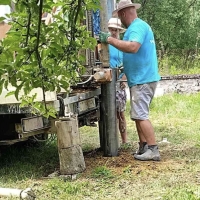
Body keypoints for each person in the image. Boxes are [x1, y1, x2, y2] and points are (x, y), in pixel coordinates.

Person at [99, 0, 161, 161]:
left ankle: (153, 149)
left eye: (119, 15)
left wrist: (110, 40)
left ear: (124, 13)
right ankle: (144, 146)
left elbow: (133, 47)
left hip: (143, 78)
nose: (120, 18)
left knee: (141, 115)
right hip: (140, 78)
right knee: (137, 115)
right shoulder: (138, 27)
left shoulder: (137, 27)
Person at [107, 17, 128, 144]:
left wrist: (124, 78)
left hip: (120, 80)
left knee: (120, 113)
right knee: (110, 113)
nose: (113, 32)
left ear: (119, 31)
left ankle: (124, 140)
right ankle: (112, 141)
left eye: (116, 30)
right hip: (109, 79)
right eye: (111, 30)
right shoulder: (106, 45)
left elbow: (128, 63)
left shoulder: (123, 44)